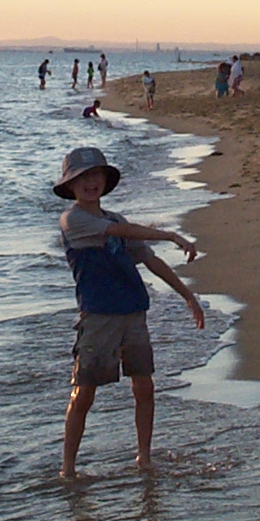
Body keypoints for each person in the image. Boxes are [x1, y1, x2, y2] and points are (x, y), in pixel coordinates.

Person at [53, 146, 204, 478]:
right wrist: (168, 233)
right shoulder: (73, 219)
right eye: (83, 178)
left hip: (133, 312)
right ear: (71, 186)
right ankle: (67, 467)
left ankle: (144, 457)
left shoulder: (115, 218)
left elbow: (149, 260)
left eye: (96, 176)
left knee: (144, 386)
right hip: (98, 317)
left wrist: (187, 296)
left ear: (105, 181)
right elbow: (121, 233)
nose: (91, 183)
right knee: (84, 392)